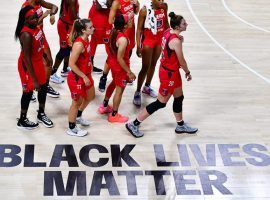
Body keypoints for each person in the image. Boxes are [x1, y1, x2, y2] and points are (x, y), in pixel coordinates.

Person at [126, 12, 198, 137]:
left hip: (171, 71)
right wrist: (187, 72)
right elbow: (182, 61)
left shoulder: (167, 31)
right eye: (183, 23)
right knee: (161, 103)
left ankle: (180, 125)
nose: (186, 24)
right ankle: (134, 123)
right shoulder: (176, 42)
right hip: (169, 75)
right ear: (177, 27)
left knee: (179, 97)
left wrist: (179, 39)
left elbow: (168, 44)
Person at [15, 5, 54, 130]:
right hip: (27, 66)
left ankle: (41, 113)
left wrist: (45, 56)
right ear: (26, 20)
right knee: (28, 92)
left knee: (43, 88)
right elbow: (26, 58)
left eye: (36, 17)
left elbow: (40, 44)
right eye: (32, 19)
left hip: (37, 62)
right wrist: (34, 80)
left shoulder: (37, 27)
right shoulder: (26, 34)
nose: (36, 20)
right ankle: (22, 119)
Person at [98, 14, 136, 123]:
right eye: (128, 20)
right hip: (120, 67)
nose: (130, 21)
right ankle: (114, 115)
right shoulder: (123, 40)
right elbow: (120, 58)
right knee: (119, 90)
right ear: (124, 25)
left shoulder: (113, 30)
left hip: (112, 62)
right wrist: (129, 72)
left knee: (114, 82)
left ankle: (104, 105)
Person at [98, 0, 140, 92]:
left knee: (127, 55)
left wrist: (137, 5)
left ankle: (124, 74)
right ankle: (104, 77)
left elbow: (136, 12)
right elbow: (110, 20)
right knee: (111, 58)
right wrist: (123, 20)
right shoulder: (117, 2)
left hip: (130, 30)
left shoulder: (132, 1)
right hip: (121, 31)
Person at [133, 0, 169, 106]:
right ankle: (138, 91)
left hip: (159, 38)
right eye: (159, 0)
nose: (161, 1)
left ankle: (147, 86)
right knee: (145, 66)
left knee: (153, 64)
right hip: (149, 39)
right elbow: (139, 30)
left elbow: (166, 23)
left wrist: (169, 38)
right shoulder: (144, 10)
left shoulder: (164, 7)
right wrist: (138, 45)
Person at [22, 0, 60, 99]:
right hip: (31, 38)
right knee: (31, 64)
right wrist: (43, 16)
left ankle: (45, 86)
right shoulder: (25, 7)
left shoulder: (38, 1)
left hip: (40, 35)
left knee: (49, 62)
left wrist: (52, 14)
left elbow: (54, 6)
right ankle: (29, 89)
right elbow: (26, 26)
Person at [67, 19, 95, 137]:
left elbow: (85, 57)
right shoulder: (79, 44)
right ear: (83, 30)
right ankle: (72, 128)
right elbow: (71, 64)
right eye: (90, 27)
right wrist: (83, 76)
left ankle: (78, 116)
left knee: (90, 96)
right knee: (76, 102)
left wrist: (90, 65)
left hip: (86, 74)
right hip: (77, 78)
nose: (93, 28)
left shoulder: (86, 38)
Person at [50, 0, 79, 84]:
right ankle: (52, 73)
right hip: (65, 26)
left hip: (68, 24)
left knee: (69, 47)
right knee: (64, 50)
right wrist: (83, 22)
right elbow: (74, 16)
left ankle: (65, 69)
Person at [88, 0, 113, 74]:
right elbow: (99, 7)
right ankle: (91, 66)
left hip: (101, 20)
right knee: (109, 46)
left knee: (94, 44)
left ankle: (91, 66)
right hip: (100, 22)